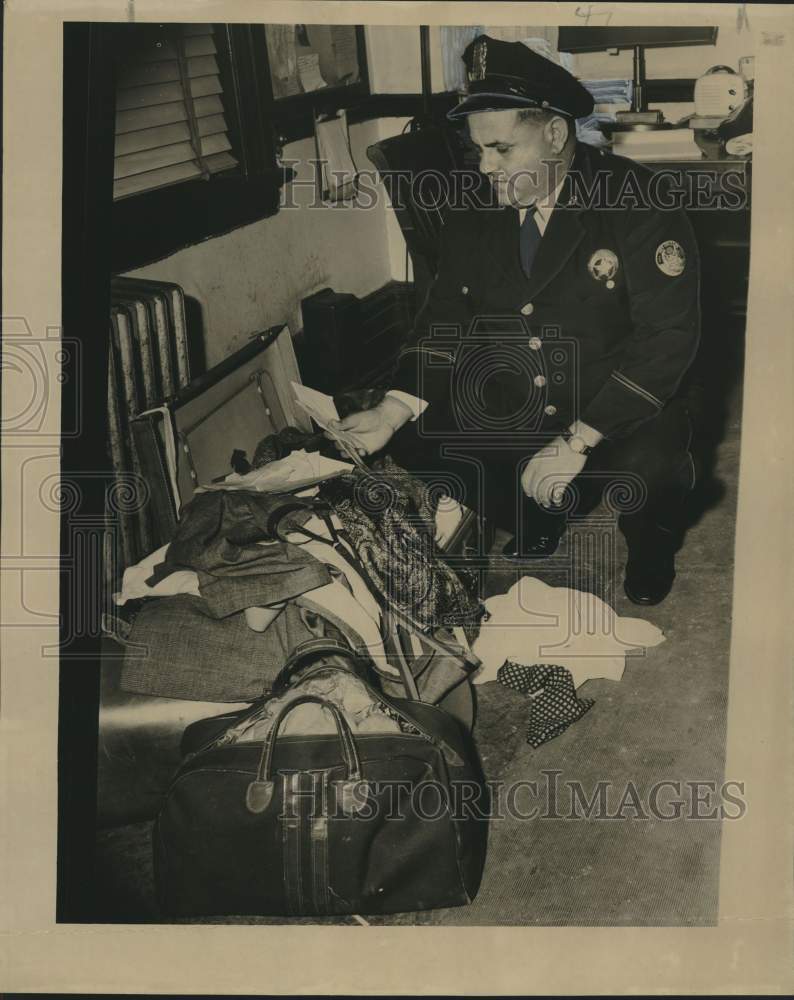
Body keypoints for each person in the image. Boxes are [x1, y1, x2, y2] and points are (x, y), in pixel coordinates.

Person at [327, 34, 700, 606]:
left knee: (656, 468)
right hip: (518, 392)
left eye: (502, 149)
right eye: (479, 150)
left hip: (614, 402)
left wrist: (576, 443)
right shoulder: (475, 212)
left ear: (554, 135)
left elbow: (668, 338)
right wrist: (391, 408)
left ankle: (651, 548)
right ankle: (535, 513)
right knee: (410, 436)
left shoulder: (638, 200)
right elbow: (442, 321)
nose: (486, 167)